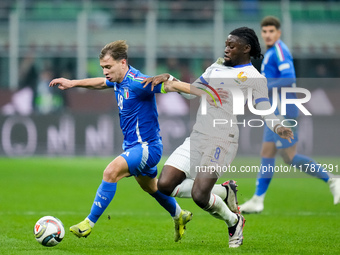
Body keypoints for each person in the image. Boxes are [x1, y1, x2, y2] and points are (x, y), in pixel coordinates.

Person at [142, 27, 294, 248]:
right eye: (226, 44)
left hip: (223, 138)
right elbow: (192, 91)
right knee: (164, 185)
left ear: (246, 48)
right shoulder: (217, 66)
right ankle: (225, 192)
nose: (226, 49)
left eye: (231, 46)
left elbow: (263, 106)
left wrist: (277, 125)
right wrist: (172, 81)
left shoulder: (254, 77)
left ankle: (233, 222)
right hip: (198, 135)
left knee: (199, 195)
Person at [49, 40, 196, 242]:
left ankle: (88, 223)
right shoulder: (118, 80)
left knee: (110, 172)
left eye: (108, 67)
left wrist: (200, 91)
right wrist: (73, 83)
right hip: (134, 146)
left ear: (123, 63)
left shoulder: (139, 82)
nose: (105, 72)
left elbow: (171, 85)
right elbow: (101, 83)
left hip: (147, 147)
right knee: (151, 187)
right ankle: (179, 215)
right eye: (103, 67)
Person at [239, 16, 340, 214]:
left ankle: (332, 179)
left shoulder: (280, 51)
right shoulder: (270, 53)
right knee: (268, 153)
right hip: (275, 109)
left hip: (285, 109)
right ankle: (258, 199)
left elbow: (289, 78)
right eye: (265, 31)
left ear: (279, 33)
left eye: (271, 31)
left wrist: (263, 86)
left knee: (290, 156)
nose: (268, 35)